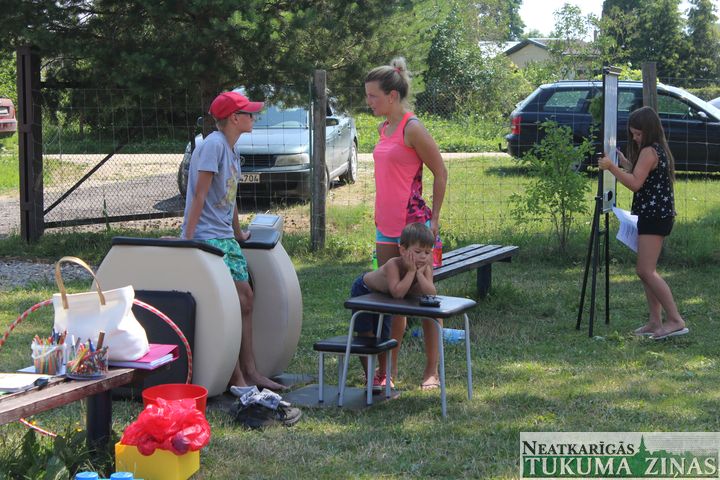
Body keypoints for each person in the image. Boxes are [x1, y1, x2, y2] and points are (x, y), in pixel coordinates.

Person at [181, 90, 285, 390]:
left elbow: (229, 195)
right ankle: (238, 375)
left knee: (245, 300)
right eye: (248, 113)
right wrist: (187, 240)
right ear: (234, 118)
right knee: (236, 300)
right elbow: (199, 194)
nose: (253, 117)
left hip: (224, 236)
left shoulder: (231, 148)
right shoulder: (213, 145)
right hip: (209, 237)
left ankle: (249, 371)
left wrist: (238, 233)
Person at [365, 57, 448, 390]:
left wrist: (434, 220)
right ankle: (389, 370)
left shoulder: (412, 128)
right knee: (392, 300)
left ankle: (431, 371)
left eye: (373, 96)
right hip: (384, 228)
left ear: (392, 96)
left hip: (414, 230)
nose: (369, 102)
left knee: (425, 299)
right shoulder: (383, 128)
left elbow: (440, 172)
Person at [598, 106, 688, 340]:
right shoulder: (658, 148)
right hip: (656, 215)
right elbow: (644, 176)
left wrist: (611, 167)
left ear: (649, 130)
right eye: (633, 134)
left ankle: (675, 320)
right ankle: (654, 321)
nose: (635, 138)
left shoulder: (649, 151)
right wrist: (626, 164)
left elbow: (636, 184)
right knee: (646, 272)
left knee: (645, 270)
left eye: (638, 134)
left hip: (654, 216)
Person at [351, 222, 438, 389]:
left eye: (427, 252)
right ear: (403, 250)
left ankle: (384, 373)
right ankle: (370, 375)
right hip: (364, 292)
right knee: (366, 334)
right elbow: (398, 293)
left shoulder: (425, 267)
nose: (422, 257)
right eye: (417, 252)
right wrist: (411, 272)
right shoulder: (393, 264)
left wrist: (420, 275)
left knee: (385, 335)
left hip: (385, 298)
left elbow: (431, 293)